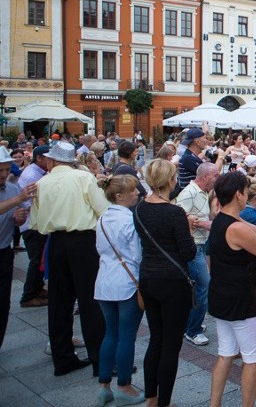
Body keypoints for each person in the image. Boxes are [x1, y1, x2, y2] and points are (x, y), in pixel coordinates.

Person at [29, 141, 109, 376]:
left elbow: (35, 222)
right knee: (90, 302)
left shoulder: (41, 183)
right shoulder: (83, 179)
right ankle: (99, 361)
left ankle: (62, 358)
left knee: (59, 302)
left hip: (55, 242)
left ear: (52, 161)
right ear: (71, 161)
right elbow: (102, 209)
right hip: (83, 242)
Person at [134, 159, 197, 407]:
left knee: (156, 340)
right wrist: (189, 228)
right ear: (171, 180)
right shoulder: (174, 212)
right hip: (173, 281)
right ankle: (165, 402)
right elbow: (188, 252)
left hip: (148, 277)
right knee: (171, 345)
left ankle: (151, 397)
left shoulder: (140, 208)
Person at [208, 172, 256, 407]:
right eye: (246, 191)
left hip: (222, 296)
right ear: (239, 195)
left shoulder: (222, 220)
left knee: (225, 354)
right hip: (241, 300)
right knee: (253, 359)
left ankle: (214, 404)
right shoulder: (236, 228)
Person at [94, 175, 145, 406]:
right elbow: (136, 255)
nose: (137, 193)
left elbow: (99, 248)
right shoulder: (129, 220)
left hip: (105, 280)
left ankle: (104, 385)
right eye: (133, 191)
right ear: (119, 196)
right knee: (126, 336)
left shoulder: (103, 217)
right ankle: (124, 385)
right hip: (126, 282)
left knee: (110, 333)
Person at [174, 162, 219, 347]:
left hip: (201, 244)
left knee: (199, 287)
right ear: (206, 177)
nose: (218, 178)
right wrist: (203, 224)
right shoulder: (189, 193)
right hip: (194, 246)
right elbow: (179, 217)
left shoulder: (204, 193)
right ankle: (193, 330)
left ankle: (193, 323)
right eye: (216, 175)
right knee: (203, 286)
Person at [0, 147, 37, 350]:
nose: (5, 174)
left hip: (4, 252)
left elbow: (15, 218)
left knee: (3, 305)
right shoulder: (17, 195)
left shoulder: (13, 189)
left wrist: (17, 219)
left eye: (7, 170)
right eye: (0, 171)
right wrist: (18, 200)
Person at [16, 145, 50, 308]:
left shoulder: (39, 172)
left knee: (40, 258)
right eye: (48, 157)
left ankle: (37, 288)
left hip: (36, 224)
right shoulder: (31, 175)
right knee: (36, 260)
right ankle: (28, 295)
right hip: (31, 225)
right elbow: (26, 202)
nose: (51, 161)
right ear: (39, 158)